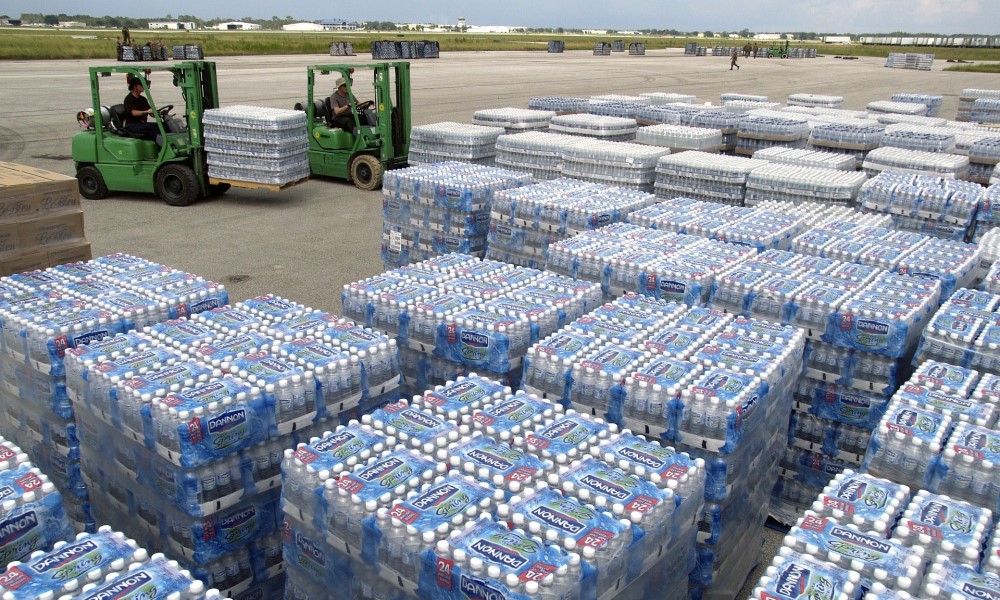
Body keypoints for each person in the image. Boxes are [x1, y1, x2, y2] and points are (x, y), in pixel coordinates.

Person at [123, 76, 158, 140]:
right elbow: (134, 113)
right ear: (135, 86)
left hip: (142, 124)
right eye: (141, 84)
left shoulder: (143, 99)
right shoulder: (129, 99)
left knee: (162, 125)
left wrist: (155, 113)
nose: (143, 86)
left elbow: (150, 110)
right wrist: (146, 112)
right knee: (152, 127)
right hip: (132, 125)